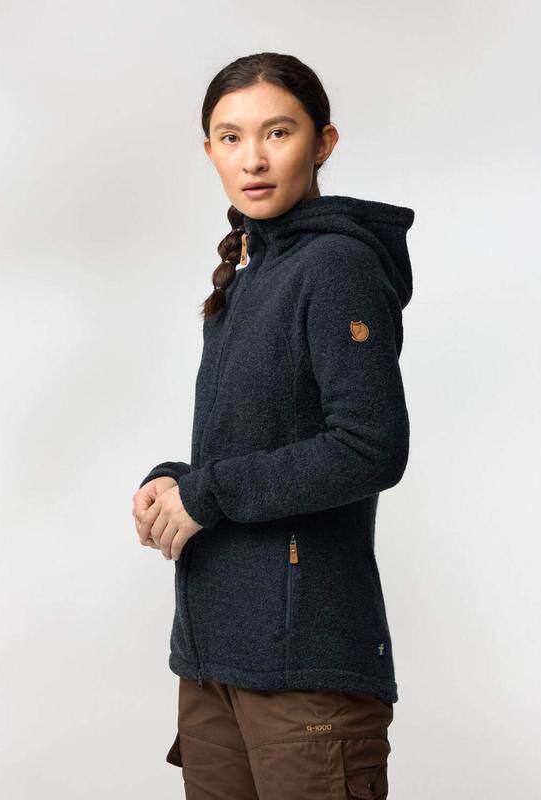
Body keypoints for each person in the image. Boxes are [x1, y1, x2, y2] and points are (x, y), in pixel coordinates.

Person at [133, 51, 414, 799]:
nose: (252, 159)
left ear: (323, 143)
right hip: (215, 660)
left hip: (304, 670)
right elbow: (260, 446)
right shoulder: (249, 276)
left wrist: (207, 495)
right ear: (209, 151)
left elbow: (369, 447)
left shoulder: (337, 266)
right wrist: (176, 482)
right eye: (231, 138)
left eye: (278, 133)